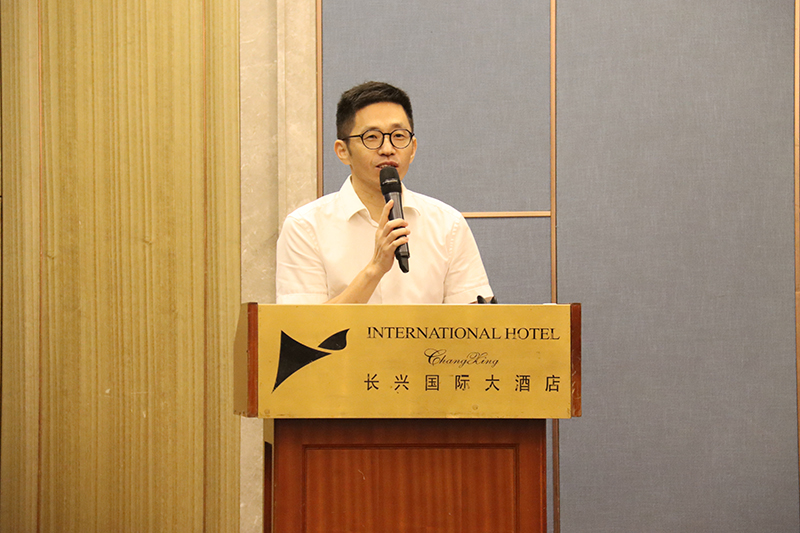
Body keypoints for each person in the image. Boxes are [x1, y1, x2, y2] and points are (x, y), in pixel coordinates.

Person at [276, 81, 493, 304]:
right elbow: (304, 324)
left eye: (398, 136)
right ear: (343, 151)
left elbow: (474, 320)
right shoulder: (305, 228)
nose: (387, 149)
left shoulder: (448, 225)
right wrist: (375, 269)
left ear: (413, 148)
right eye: (372, 137)